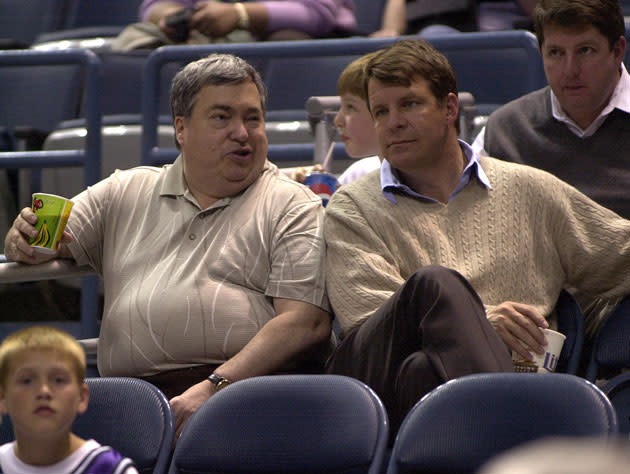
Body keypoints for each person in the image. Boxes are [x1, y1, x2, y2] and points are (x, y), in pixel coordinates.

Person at [4, 53, 331, 440]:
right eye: (222, 117)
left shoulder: (293, 204)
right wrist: (21, 238)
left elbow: (305, 323)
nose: (242, 132)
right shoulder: (125, 189)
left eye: (253, 118)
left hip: (244, 395)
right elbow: (46, 238)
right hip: (131, 403)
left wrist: (214, 387)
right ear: (181, 129)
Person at [323, 38, 630, 431]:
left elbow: (619, 252)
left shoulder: (530, 190)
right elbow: (367, 317)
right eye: (380, 112)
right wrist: (480, 322)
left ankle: (495, 433)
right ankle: (516, 437)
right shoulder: (353, 206)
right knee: (434, 285)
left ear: (450, 108)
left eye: (410, 104)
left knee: (423, 372)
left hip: (443, 389)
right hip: (381, 371)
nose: (393, 122)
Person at [473, 0, 630, 220]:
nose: (570, 71)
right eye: (556, 53)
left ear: (617, 51)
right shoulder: (505, 130)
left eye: (585, 51)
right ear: (541, 53)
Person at [0, 326, 138, 474]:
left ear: (81, 397)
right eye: (27, 381)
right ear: (3, 399)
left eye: (59, 380)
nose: (44, 391)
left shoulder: (112, 469)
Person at [139, 0, 357, 43]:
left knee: (286, 39)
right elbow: (152, 6)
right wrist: (172, 17)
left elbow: (317, 13)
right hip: (209, 40)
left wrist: (240, 14)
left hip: (317, 40)